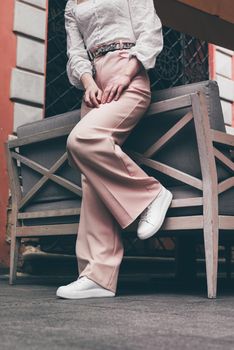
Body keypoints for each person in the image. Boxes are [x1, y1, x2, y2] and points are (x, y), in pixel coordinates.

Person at [56, 0, 173, 300]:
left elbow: (151, 30)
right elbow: (76, 53)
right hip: (95, 85)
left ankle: (151, 194)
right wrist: (87, 82)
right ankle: (98, 275)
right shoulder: (72, 5)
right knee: (91, 177)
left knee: (80, 140)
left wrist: (126, 72)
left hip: (128, 73)